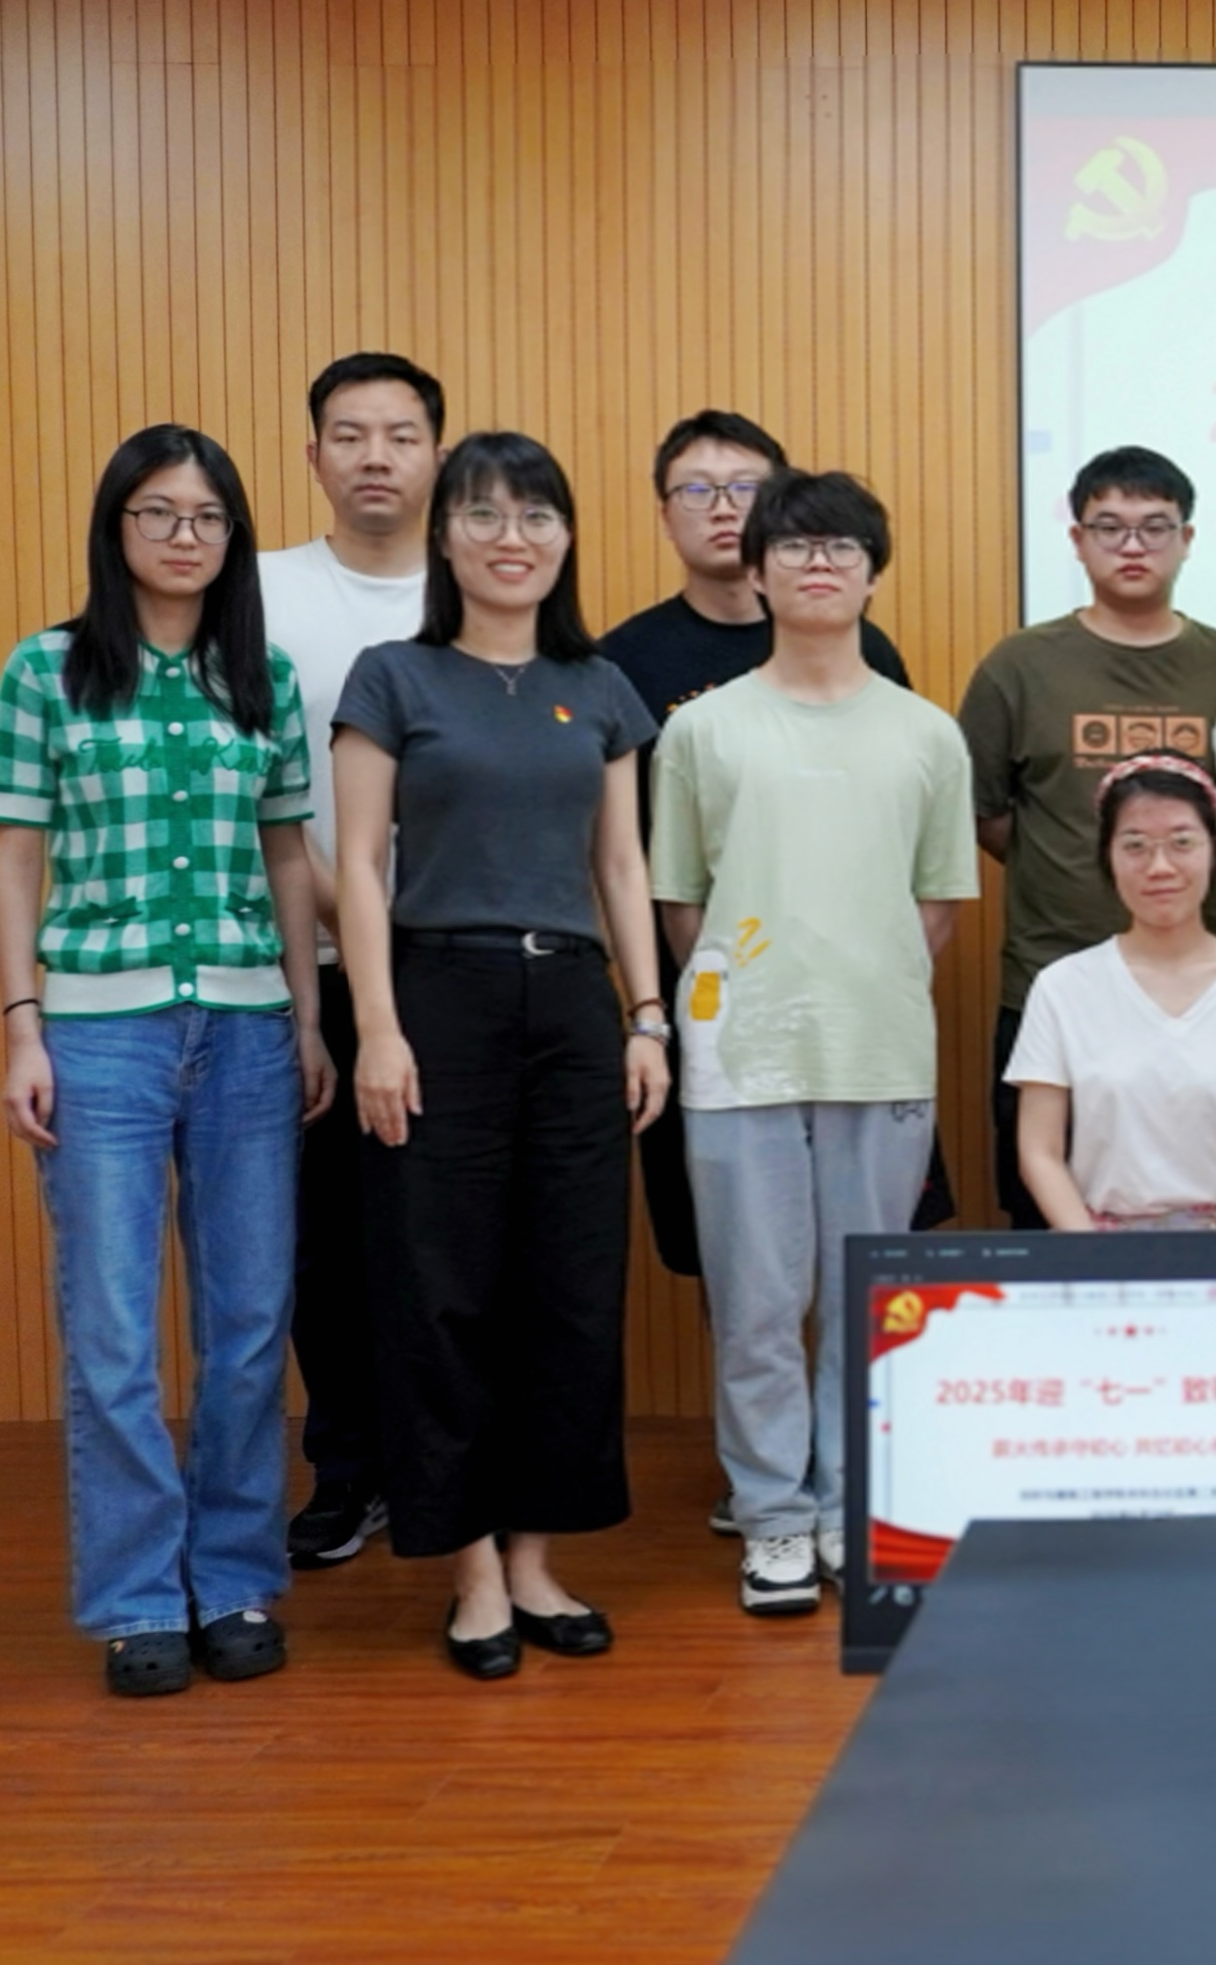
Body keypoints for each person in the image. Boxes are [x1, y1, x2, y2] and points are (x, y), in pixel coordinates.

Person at [0, 427, 333, 1696]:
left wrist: (307, 1019)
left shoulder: (263, 675)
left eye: (207, 516)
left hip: (248, 1030)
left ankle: (232, 1576)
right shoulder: (47, 669)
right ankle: (140, 1596)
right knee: (115, 1330)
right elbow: (15, 855)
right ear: (116, 526)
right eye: (158, 513)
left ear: (233, 534)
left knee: (249, 1324)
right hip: (100, 1034)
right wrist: (22, 1023)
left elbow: (290, 855)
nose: (185, 536)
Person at [331, 431, 667, 1678]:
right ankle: (471, 1568)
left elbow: (620, 863)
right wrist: (376, 1025)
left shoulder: (602, 685)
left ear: (567, 537)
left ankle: (535, 1557)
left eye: (535, 514)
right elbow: (357, 862)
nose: (510, 536)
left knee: (568, 1287)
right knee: (441, 1284)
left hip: (574, 1003)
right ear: (445, 535)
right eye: (482, 513)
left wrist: (647, 1013)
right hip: (439, 996)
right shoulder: (394, 675)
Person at [649, 469, 977, 1619]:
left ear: (874, 572)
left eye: (842, 546)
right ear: (757, 570)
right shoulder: (701, 728)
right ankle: (773, 1515)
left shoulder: (927, 733)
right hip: (737, 1055)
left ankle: (849, 1503)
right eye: (794, 545)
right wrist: (745, 995)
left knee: (863, 1298)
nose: (819, 562)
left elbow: (936, 904)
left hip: (879, 1050)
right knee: (754, 1303)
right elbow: (680, 901)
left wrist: (857, 983)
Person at [596, 410, 919, 1280]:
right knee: (736, 1262)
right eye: (695, 490)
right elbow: (631, 853)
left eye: (745, 487)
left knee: (862, 1258)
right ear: (663, 512)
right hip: (710, 1009)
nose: (721, 507)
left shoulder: (864, 647)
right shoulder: (620, 662)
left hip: (855, 1006)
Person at [955, 445, 1216, 1230]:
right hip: (1051, 985)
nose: (1132, 546)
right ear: (1077, 539)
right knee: (1045, 1224)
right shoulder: (1019, 666)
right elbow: (985, 814)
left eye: (1154, 527)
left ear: (1186, 539)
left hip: (1205, 996)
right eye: (1110, 527)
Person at [254, 352, 438, 1573]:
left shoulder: (479, 585)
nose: (376, 455)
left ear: (438, 455)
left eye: (401, 433)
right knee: (321, 1241)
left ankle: (442, 1466)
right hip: (302, 963)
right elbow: (256, 789)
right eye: (350, 433)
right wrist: (351, 920)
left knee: (438, 1239)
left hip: (458, 967)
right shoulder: (261, 592)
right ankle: (349, 1464)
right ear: (313, 454)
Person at [1007, 755, 1216, 1231]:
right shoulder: (1063, 987)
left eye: (1182, 843)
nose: (1160, 867)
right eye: (1135, 846)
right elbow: (1039, 1149)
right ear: (1107, 857)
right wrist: (1089, 1251)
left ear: (1214, 850)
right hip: (1097, 1249)